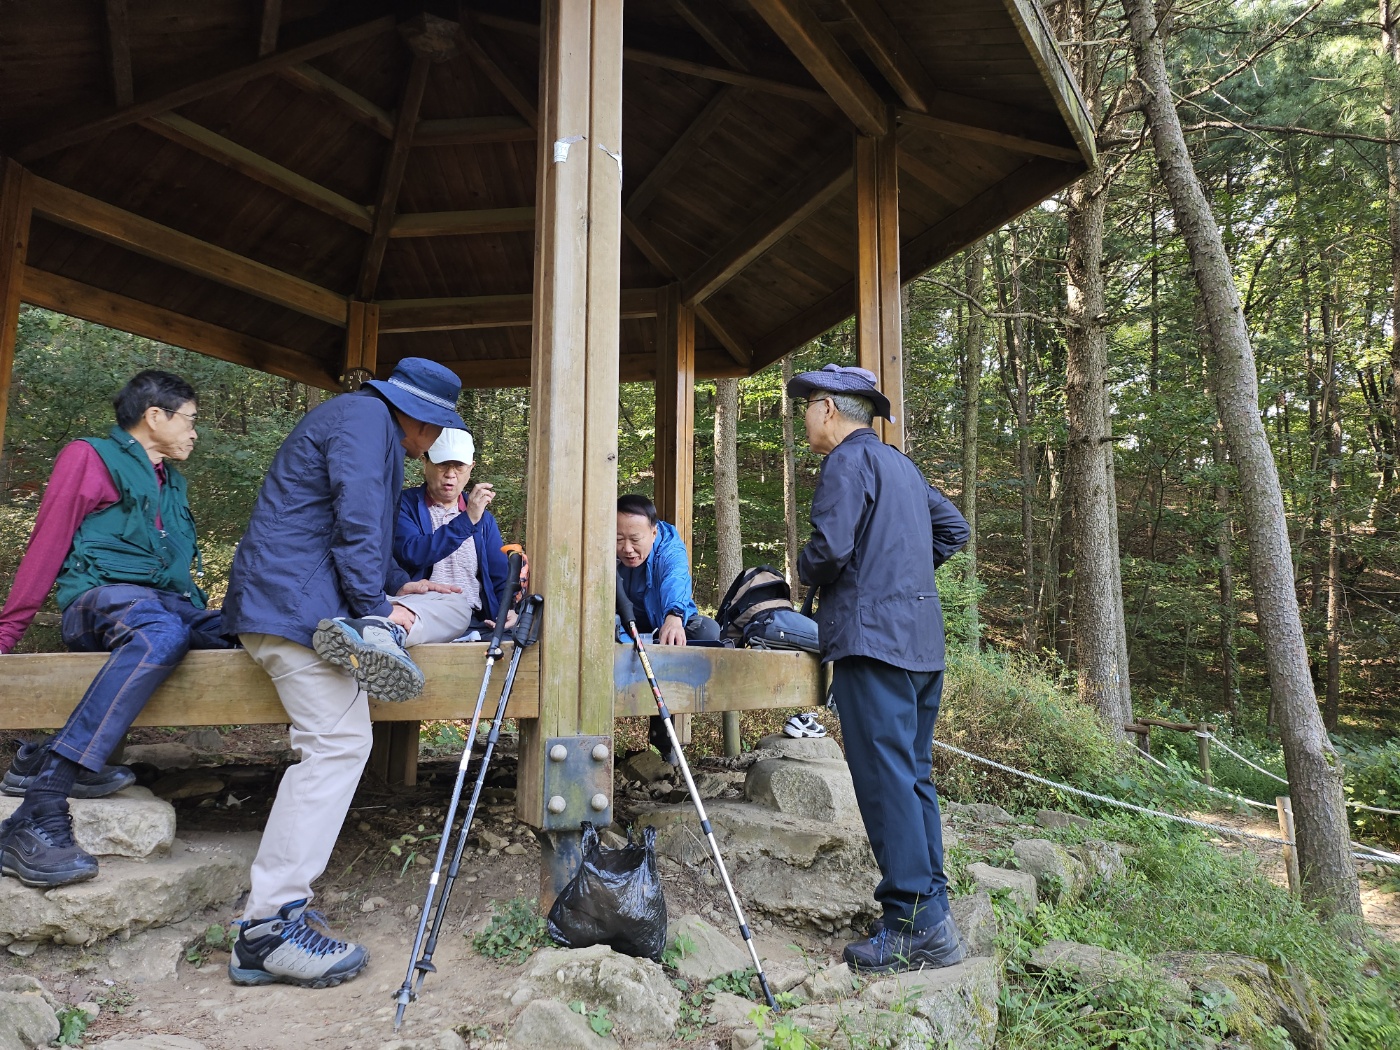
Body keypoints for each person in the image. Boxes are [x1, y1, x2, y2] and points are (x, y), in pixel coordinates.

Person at [221, 357, 469, 990]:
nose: (432, 445)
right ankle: (268, 928)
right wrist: (375, 612)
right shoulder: (366, 423)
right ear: (418, 417)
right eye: (433, 431)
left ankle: (277, 914)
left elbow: (337, 523)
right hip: (294, 607)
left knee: (335, 740)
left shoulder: (358, 419)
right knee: (336, 743)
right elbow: (357, 515)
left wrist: (390, 584)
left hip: (285, 599)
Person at [0, 370, 232, 888]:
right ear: (155, 416)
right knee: (159, 634)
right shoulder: (88, 457)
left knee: (245, 630)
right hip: (97, 602)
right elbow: (47, 543)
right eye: (190, 420)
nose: (195, 432)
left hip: (165, 605)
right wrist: (6, 634)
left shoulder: (173, 482)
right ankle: (40, 804)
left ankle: (42, 755)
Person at [789, 363, 971, 975]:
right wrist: (902, 572)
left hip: (873, 644)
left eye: (808, 404)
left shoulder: (846, 462)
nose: (804, 416)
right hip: (921, 643)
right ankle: (932, 912)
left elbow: (832, 550)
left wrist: (803, 569)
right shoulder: (902, 465)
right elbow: (953, 529)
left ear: (831, 410)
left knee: (885, 780)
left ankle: (912, 924)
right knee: (912, 775)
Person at [615, 494, 719, 763]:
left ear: (653, 531)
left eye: (635, 540)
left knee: (707, 632)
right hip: (622, 626)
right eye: (618, 539)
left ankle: (666, 745)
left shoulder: (670, 546)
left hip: (666, 621)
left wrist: (674, 616)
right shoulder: (600, 548)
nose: (627, 548)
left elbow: (676, 577)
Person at [393, 427, 513, 639]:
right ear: (424, 462)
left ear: (471, 467)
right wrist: (467, 521)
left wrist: (509, 610)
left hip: (476, 620)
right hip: (422, 613)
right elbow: (413, 552)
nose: (450, 474)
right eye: (442, 464)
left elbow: (500, 577)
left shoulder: (483, 519)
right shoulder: (404, 505)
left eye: (459, 466)